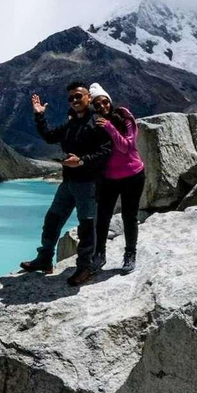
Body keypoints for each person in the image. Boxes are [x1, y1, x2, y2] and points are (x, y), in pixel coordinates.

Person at [20, 81, 113, 286]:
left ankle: (85, 267)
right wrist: (39, 115)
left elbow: (106, 151)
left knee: (87, 228)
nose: (74, 100)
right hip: (69, 182)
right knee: (52, 220)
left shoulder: (98, 122)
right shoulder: (72, 122)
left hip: (88, 184)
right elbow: (50, 137)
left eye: (78, 96)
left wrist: (81, 161)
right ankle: (45, 259)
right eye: (71, 98)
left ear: (88, 97)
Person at [89, 83, 145, 275]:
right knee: (102, 217)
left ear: (110, 101)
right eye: (97, 105)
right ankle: (99, 254)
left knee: (129, 216)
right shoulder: (95, 124)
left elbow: (126, 147)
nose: (103, 107)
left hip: (133, 175)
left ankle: (130, 254)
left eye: (105, 102)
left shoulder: (125, 119)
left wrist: (110, 128)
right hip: (109, 178)